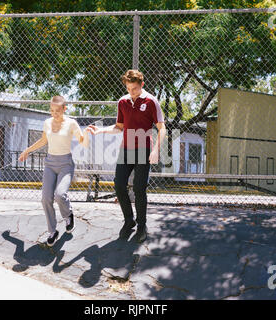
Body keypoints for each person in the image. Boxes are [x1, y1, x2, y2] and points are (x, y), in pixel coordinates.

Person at [87, 70, 166, 243]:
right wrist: (101, 130)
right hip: (126, 149)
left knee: (139, 188)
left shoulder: (151, 101)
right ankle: (129, 221)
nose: (132, 92)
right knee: (119, 185)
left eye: (135, 88)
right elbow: (119, 127)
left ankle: (141, 225)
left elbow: (162, 128)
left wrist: (155, 150)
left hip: (144, 149)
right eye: (129, 88)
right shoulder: (123, 101)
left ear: (142, 85)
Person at [19, 96, 89, 246]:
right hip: (50, 163)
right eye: (51, 110)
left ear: (64, 109)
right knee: (45, 198)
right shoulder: (47, 122)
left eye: (58, 110)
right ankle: (53, 231)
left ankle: (68, 215)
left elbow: (81, 139)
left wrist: (87, 136)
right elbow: (44, 140)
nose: (54, 113)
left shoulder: (71, 123)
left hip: (65, 164)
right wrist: (27, 151)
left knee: (60, 194)